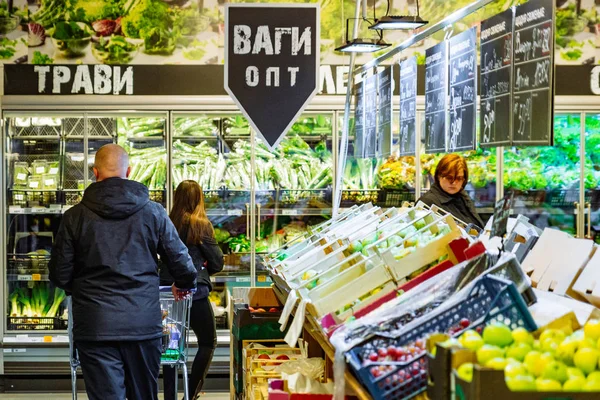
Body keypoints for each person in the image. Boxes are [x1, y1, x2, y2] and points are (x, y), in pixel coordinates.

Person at [49, 144, 197, 400]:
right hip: (142, 324)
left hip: (95, 325)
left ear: (95, 173)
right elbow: (182, 262)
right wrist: (183, 283)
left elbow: (60, 274)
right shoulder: (153, 212)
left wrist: (81, 288)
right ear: (128, 171)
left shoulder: (74, 217)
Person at [162, 180, 224, 400]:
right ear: (199, 198)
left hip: (167, 293)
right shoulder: (200, 223)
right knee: (207, 342)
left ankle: (170, 395)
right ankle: (190, 393)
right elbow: (217, 262)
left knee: (170, 346)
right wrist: (206, 263)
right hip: (194, 293)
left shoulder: (167, 222)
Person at [418, 153, 484, 229]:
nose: (454, 182)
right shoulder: (427, 202)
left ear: (464, 179)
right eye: (449, 178)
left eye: (459, 178)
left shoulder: (463, 197)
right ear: (439, 176)